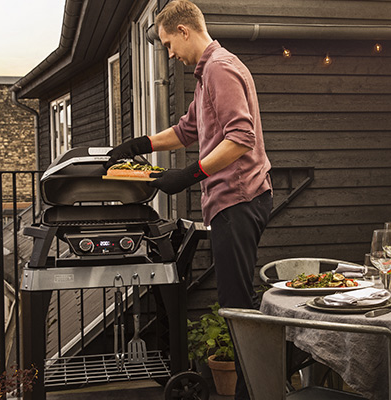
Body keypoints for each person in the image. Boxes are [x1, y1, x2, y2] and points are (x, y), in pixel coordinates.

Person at [104, 1, 271, 398]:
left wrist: (189, 174)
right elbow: (185, 130)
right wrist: (137, 144)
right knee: (235, 303)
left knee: (236, 306)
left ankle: (255, 392)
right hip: (232, 201)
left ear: (183, 30)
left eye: (167, 43)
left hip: (238, 199)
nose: (169, 53)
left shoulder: (220, 68)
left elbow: (241, 138)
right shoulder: (207, 74)